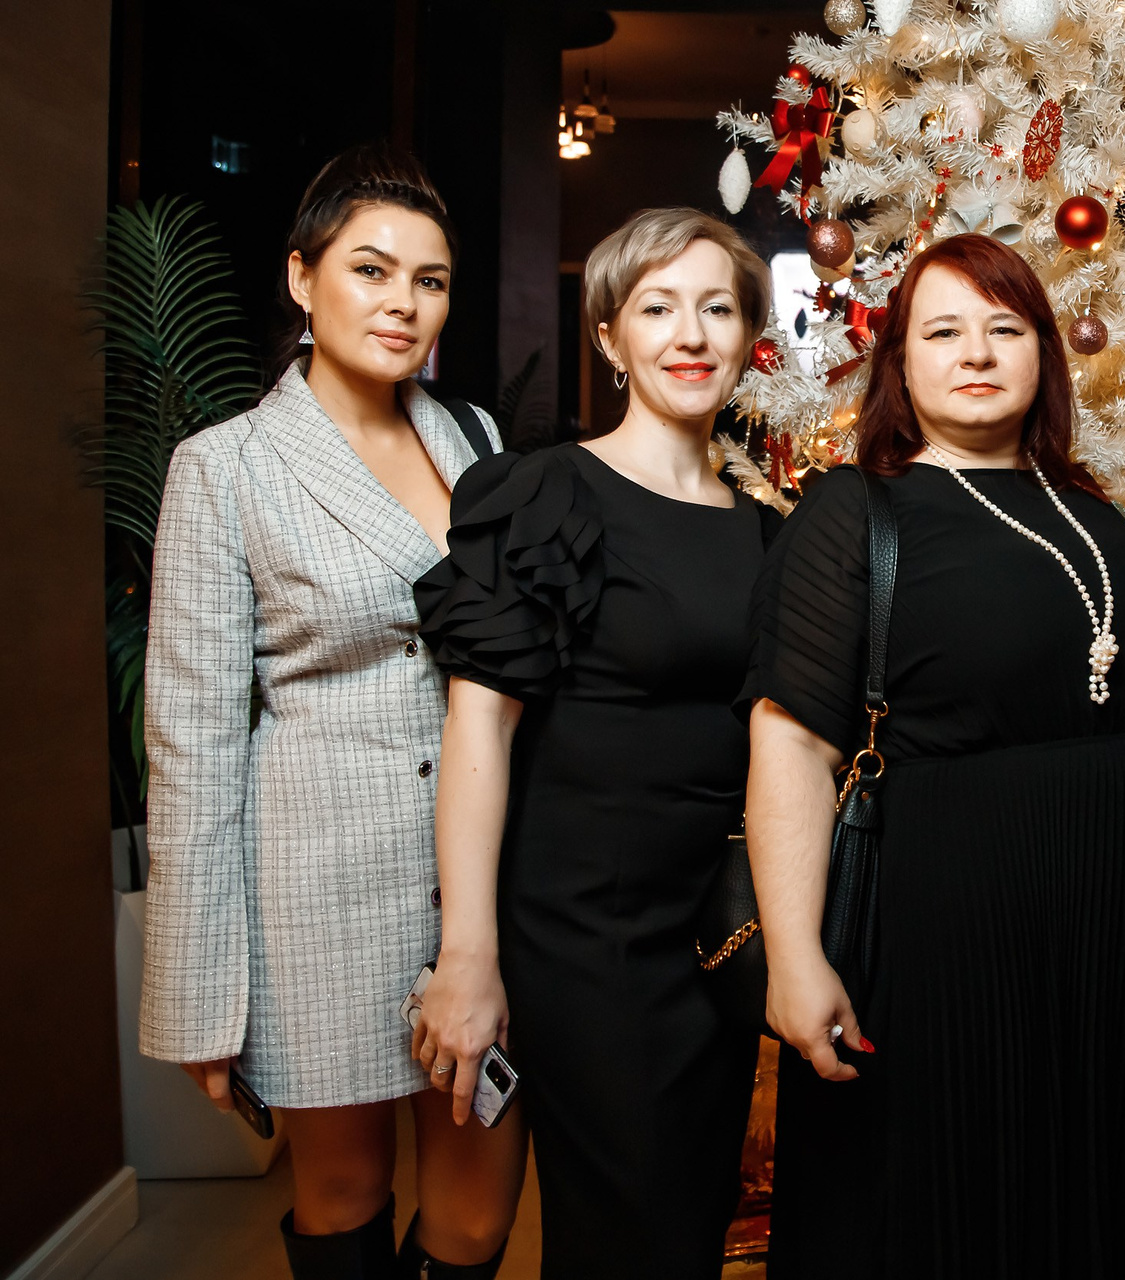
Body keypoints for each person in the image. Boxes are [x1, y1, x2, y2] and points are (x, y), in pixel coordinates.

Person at [741, 233, 1125, 1277]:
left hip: (1119, 942)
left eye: (1004, 328)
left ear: (1044, 354)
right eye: (942, 331)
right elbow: (792, 742)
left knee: (1090, 1208)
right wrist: (796, 957)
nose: (976, 352)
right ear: (900, 361)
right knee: (955, 1209)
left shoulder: (1089, 505)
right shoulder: (858, 509)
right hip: (949, 937)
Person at [140, 145, 526, 1278]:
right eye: (371, 268)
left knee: (478, 1213)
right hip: (316, 892)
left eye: (429, 279)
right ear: (302, 279)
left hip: (478, 889)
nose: (403, 301)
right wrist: (201, 998)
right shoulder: (226, 467)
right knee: (345, 1196)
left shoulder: (477, 440)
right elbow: (193, 741)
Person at [412, 207, 776, 1276]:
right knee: (629, 1232)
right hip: (583, 937)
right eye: (657, 309)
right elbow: (480, 728)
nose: (691, 334)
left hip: (715, 937)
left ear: (750, 336)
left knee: (690, 1223)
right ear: (611, 338)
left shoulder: (770, 531)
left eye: (717, 309)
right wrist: (467, 954)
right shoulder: (549, 496)